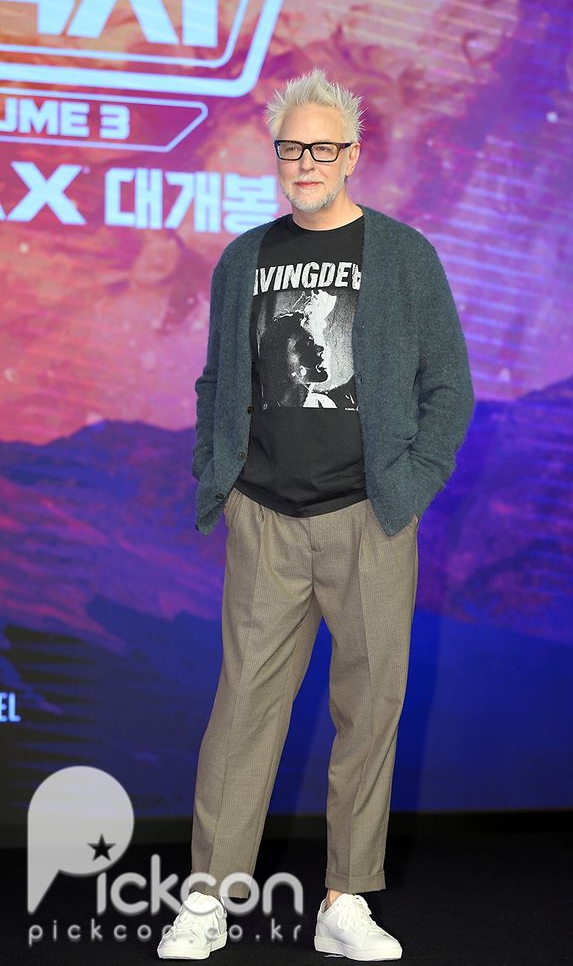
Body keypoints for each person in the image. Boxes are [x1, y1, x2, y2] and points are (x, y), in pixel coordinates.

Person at [158, 68, 475, 962]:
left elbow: (449, 388)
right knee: (242, 712)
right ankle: (207, 901)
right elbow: (218, 381)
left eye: (323, 147)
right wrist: (219, 476)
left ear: (352, 155)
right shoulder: (244, 259)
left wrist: (408, 487)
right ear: (278, 155)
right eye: (292, 147)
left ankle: (345, 900)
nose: (306, 161)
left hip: (369, 518)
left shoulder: (403, 255)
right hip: (264, 518)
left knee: (369, 713)